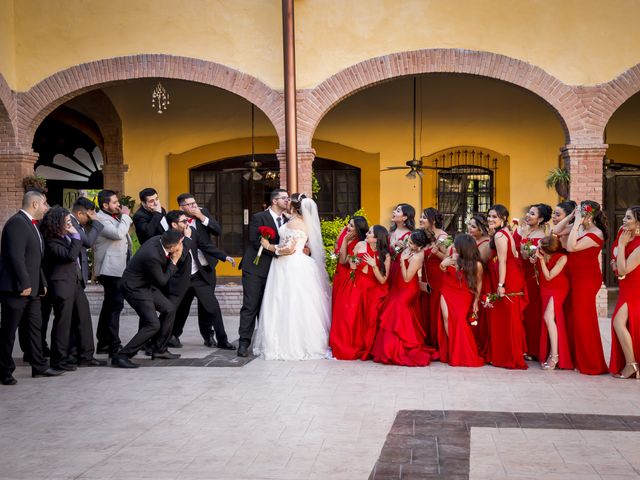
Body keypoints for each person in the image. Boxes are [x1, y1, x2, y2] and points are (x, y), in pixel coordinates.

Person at [252, 194, 331, 360]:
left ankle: (288, 344)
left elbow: (288, 249)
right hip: (298, 264)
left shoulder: (295, 223)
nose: (286, 202)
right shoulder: (302, 221)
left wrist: (268, 246)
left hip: (288, 264)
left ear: (294, 206)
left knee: (285, 302)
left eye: (289, 201)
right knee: (300, 303)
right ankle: (306, 342)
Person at [0, 190, 63, 385]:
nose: (47, 208)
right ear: (34, 204)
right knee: (9, 331)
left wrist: (42, 282)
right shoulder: (17, 223)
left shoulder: (34, 226)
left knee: (35, 329)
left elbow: (36, 260)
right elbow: (15, 257)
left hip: (34, 290)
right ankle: (4, 371)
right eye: (44, 204)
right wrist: (25, 283)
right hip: (16, 289)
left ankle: (39, 366)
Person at [165, 210, 236, 350]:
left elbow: (205, 246)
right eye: (184, 221)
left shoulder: (192, 231)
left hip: (198, 277)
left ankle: (222, 340)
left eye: (187, 220)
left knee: (213, 307)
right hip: (180, 279)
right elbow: (181, 256)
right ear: (174, 224)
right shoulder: (168, 237)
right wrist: (187, 238)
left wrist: (224, 257)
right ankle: (167, 339)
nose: (188, 223)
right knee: (175, 310)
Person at [111, 230, 183, 368]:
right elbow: (162, 281)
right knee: (152, 324)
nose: (182, 245)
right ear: (173, 247)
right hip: (134, 288)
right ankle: (122, 355)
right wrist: (174, 261)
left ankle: (159, 349)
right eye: (180, 243)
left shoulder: (160, 239)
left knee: (169, 309)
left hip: (146, 284)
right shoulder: (152, 256)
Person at [41, 207, 97, 371]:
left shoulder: (65, 237)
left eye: (70, 221)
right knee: (63, 323)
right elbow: (70, 256)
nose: (70, 224)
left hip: (75, 283)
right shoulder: (51, 240)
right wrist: (76, 235)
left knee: (83, 319)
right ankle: (59, 360)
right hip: (61, 285)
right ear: (57, 223)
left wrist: (73, 235)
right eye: (66, 222)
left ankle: (86, 356)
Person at [371, 230, 436, 367]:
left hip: (407, 289)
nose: (408, 243)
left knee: (397, 310)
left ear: (419, 246)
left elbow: (407, 278)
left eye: (411, 242)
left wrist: (401, 261)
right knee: (392, 311)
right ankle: (387, 349)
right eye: (408, 240)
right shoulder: (408, 248)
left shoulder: (418, 256)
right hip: (397, 286)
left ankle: (400, 348)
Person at [237, 189, 289, 357]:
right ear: (274, 201)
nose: (287, 201)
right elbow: (254, 240)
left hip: (277, 271)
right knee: (250, 306)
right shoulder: (259, 217)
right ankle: (244, 343)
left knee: (270, 307)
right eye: (284, 198)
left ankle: (266, 342)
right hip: (255, 268)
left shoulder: (288, 220)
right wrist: (279, 251)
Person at [174, 193, 225, 348]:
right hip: (186, 270)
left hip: (206, 266)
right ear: (181, 207)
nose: (194, 206)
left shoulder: (204, 213)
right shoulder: (177, 219)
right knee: (183, 304)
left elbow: (218, 231)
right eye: (189, 204)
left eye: (194, 203)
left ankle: (208, 336)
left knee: (207, 304)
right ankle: (174, 335)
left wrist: (202, 217)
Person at [566, 200, 608, 375]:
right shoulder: (581, 228)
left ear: (589, 215)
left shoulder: (596, 233)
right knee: (576, 317)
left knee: (584, 318)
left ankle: (592, 362)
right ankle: (578, 357)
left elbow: (571, 246)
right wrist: (571, 217)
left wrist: (576, 224)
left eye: (582, 212)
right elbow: (557, 231)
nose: (579, 215)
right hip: (575, 277)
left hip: (587, 279)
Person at [485, 204, 528, 370]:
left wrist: (501, 284)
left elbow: (502, 260)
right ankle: (508, 354)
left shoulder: (500, 236)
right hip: (511, 274)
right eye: (489, 216)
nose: (490, 219)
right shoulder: (504, 233)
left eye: (494, 217)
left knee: (507, 316)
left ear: (503, 219)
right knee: (508, 316)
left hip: (508, 277)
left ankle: (508, 357)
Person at [66, 197, 105, 366]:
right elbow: (87, 241)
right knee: (80, 318)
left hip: (76, 278)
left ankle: (79, 354)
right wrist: (96, 222)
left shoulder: (76, 222)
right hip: (71, 278)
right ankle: (82, 356)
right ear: (80, 213)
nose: (91, 219)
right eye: (89, 216)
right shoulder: (72, 222)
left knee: (78, 318)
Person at [93, 190, 132, 356]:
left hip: (117, 269)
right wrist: (125, 216)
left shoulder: (112, 217)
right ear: (105, 205)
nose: (119, 205)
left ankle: (104, 342)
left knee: (109, 306)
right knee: (115, 306)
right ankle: (113, 345)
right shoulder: (100, 219)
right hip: (109, 270)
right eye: (115, 202)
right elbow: (117, 234)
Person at [437, 234, 484, 367]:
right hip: (447, 289)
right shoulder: (451, 255)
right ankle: (453, 349)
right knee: (446, 317)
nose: (454, 248)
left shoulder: (477, 264)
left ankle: (462, 351)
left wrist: (476, 301)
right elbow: (443, 270)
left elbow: (478, 283)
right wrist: (442, 264)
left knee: (459, 320)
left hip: (464, 293)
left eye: (457, 246)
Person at [513, 203, 552, 360]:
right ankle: (521, 347)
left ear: (540, 219)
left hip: (533, 277)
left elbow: (545, 257)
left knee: (532, 312)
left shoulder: (543, 236)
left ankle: (533, 349)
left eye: (533, 214)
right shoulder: (521, 230)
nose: (528, 216)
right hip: (518, 273)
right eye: (528, 213)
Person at [329, 215, 368, 360]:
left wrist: (345, 241)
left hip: (350, 275)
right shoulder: (343, 232)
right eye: (348, 224)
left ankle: (346, 340)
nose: (348, 228)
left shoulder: (360, 243)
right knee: (336, 306)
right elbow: (336, 249)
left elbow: (345, 260)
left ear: (358, 230)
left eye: (351, 226)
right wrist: (339, 244)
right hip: (339, 274)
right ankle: (335, 340)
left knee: (346, 309)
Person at [609, 206, 640, 379]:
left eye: (628, 218)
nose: (624, 220)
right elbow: (615, 258)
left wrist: (622, 245)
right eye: (625, 216)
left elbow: (623, 270)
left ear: (638, 222)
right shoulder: (623, 232)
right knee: (620, 323)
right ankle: (632, 364)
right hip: (625, 286)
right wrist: (614, 261)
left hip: (635, 288)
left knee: (618, 322)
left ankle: (631, 364)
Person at [535, 234, 572, 370]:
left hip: (558, 287)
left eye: (540, 248)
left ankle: (555, 355)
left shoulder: (562, 258)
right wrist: (536, 259)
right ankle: (549, 352)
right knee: (547, 318)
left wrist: (541, 260)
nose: (538, 249)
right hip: (545, 288)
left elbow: (549, 276)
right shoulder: (543, 254)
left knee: (548, 317)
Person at [357, 225, 391, 360]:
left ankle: (370, 348)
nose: (366, 234)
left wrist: (374, 265)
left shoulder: (386, 255)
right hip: (361, 285)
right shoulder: (361, 246)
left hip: (377, 288)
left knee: (372, 312)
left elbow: (383, 280)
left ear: (376, 239)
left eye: (370, 233)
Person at [420, 207, 449, 348]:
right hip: (426, 276)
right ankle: (428, 340)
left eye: (424, 217)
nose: (420, 220)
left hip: (438, 276)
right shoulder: (423, 234)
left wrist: (437, 253)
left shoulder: (442, 237)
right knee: (426, 306)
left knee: (436, 306)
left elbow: (449, 259)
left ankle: (438, 342)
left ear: (432, 220)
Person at [467, 214, 491, 357]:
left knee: (476, 313)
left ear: (482, 229)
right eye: (469, 225)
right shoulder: (471, 240)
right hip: (468, 280)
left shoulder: (486, 243)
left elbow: (479, 266)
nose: (469, 228)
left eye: (473, 226)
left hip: (478, 281)